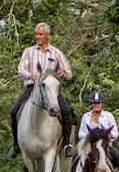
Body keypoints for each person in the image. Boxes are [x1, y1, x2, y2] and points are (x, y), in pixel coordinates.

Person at [9, 22, 76, 156]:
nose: (37, 37)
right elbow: (20, 69)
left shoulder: (56, 53)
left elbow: (69, 72)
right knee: (13, 111)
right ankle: (16, 145)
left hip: (51, 90)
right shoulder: (28, 52)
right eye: (36, 34)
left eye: (40, 34)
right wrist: (30, 75)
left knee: (67, 111)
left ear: (47, 36)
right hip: (32, 88)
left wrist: (64, 74)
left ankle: (67, 145)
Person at [72, 90, 119, 172]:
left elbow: (116, 132)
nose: (96, 105)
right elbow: (81, 133)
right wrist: (88, 137)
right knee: (75, 158)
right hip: (89, 146)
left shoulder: (108, 116)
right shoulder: (86, 116)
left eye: (98, 103)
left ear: (102, 104)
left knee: (118, 157)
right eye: (94, 103)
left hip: (104, 145)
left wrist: (111, 135)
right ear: (92, 104)